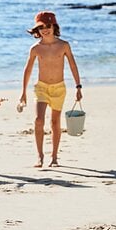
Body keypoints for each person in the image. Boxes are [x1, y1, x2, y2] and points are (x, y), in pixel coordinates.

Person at [19, 11, 83, 168]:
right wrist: (23, 92)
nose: (45, 29)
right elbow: (27, 70)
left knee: (55, 122)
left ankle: (54, 157)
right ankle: (40, 156)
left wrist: (78, 86)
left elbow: (73, 65)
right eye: (41, 27)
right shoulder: (36, 48)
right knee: (38, 120)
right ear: (37, 30)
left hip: (59, 88)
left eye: (48, 26)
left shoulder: (63, 45)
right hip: (41, 87)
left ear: (54, 26)